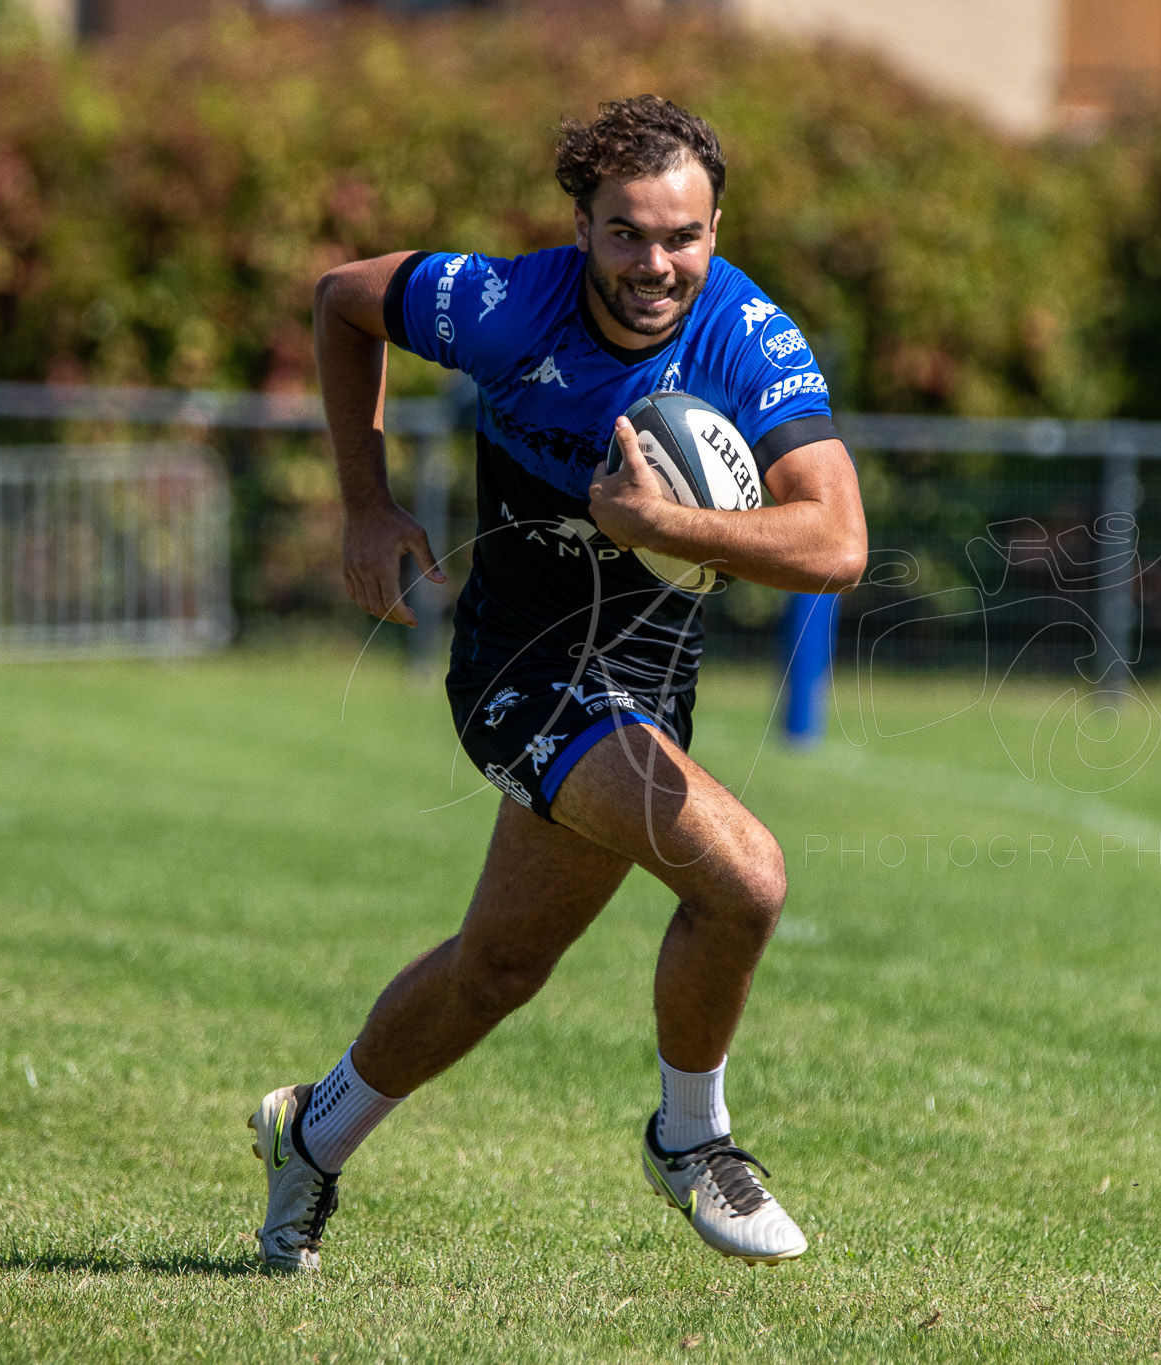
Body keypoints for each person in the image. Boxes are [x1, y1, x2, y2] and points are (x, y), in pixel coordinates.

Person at [249, 96, 867, 1272]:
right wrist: (365, 503)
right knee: (747, 881)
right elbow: (341, 300)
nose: (656, 263)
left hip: (644, 686)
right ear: (580, 223)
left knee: (497, 968)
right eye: (628, 232)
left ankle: (309, 1138)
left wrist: (663, 523)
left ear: (716, 228)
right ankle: (691, 1141)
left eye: (683, 236)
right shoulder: (498, 303)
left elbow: (836, 546)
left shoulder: (746, 334)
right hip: (519, 671)